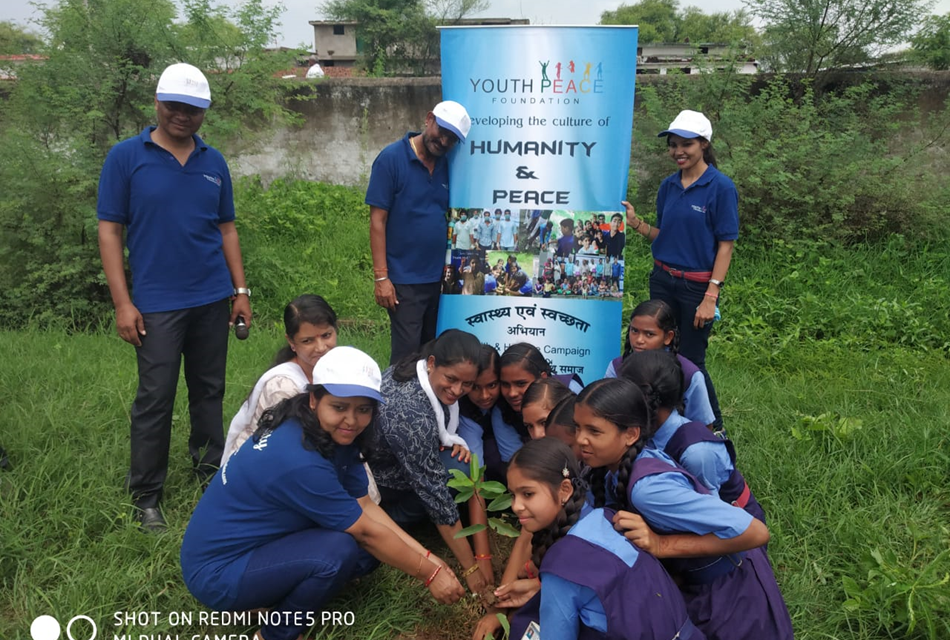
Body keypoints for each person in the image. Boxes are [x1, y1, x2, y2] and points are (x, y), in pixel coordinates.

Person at [180, 347, 466, 640]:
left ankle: (275, 594)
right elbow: (366, 531)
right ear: (315, 399)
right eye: (339, 407)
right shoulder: (298, 459)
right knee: (338, 552)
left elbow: (365, 505)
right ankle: (275, 633)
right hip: (218, 574)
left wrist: (430, 559)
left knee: (372, 553)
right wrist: (429, 575)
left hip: (258, 543)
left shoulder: (332, 433)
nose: (352, 421)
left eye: (363, 409)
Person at [97, 63, 251, 532]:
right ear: (157, 103)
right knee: (156, 398)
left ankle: (209, 474)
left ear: (204, 112)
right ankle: (146, 494)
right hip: (156, 303)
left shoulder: (213, 161)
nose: (182, 116)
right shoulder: (127, 157)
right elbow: (109, 232)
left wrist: (240, 291)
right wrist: (123, 302)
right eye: (174, 106)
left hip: (210, 297)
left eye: (193, 109)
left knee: (209, 391)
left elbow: (226, 228)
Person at [576, 378, 793, 640]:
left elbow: (754, 533)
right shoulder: (614, 471)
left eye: (594, 431)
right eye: (577, 428)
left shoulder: (649, 491)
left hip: (731, 595)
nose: (581, 440)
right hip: (699, 589)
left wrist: (661, 545)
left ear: (631, 434)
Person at [493, 438, 702, 640]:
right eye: (513, 495)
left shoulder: (560, 568)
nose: (516, 505)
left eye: (527, 494)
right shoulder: (607, 517)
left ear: (565, 490)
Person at [624, 109, 737, 432]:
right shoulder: (668, 186)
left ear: (704, 144)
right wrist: (637, 225)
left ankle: (712, 427)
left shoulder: (720, 188)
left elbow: (725, 246)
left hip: (696, 287)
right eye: (673, 145)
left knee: (690, 359)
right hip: (662, 280)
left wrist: (710, 295)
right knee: (657, 352)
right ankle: (663, 419)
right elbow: (665, 236)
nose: (678, 152)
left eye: (686, 144)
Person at [369, 329, 494, 591]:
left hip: (395, 461)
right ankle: (390, 524)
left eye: (467, 384)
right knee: (453, 475)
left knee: (460, 464)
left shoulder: (415, 370)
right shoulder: (410, 414)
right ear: (433, 363)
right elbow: (433, 492)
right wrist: (470, 567)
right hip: (381, 482)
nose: (458, 390)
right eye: (451, 379)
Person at [367, 100, 472, 365]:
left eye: (452, 138)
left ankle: (426, 407)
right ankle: (397, 405)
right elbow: (377, 221)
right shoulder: (391, 159)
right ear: (429, 119)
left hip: (441, 279)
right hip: (405, 280)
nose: (444, 141)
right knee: (405, 358)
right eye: (442, 131)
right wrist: (382, 279)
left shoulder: (449, 166)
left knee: (432, 354)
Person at [621, 350, 765, 524]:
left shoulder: (696, 452)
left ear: (642, 398)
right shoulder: (641, 431)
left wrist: (658, 543)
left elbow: (714, 520)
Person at [222, 295, 337, 467]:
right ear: (291, 342)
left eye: (326, 335)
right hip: (266, 467)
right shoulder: (283, 387)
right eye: (308, 341)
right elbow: (294, 449)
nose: (321, 348)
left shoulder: (340, 366)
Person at [604, 300, 716, 429]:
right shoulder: (616, 366)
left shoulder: (690, 375)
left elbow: (704, 426)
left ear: (668, 337)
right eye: (634, 331)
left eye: (649, 334)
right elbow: (605, 412)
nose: (639, 340)